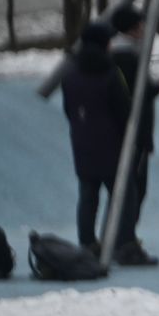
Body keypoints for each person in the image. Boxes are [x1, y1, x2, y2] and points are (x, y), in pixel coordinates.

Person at [60, 21, 130, 255]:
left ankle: (87, 242)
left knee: (88, 195)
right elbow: (123, 111)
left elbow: (69, 109)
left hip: (83, 141)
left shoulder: (70, 75)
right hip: (111, 143)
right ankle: (121, 241)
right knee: (124, 194)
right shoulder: (110, 73)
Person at [107, 4, 159, 266]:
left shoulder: (121, 54)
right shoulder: (128, 57)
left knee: (126, 188)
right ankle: (124, 241)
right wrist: (156, 87)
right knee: (133, 188)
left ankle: (117, 238)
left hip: (124, 133)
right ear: (133, 29)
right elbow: (136, 96)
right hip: (132, 134)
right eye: (141, 25)